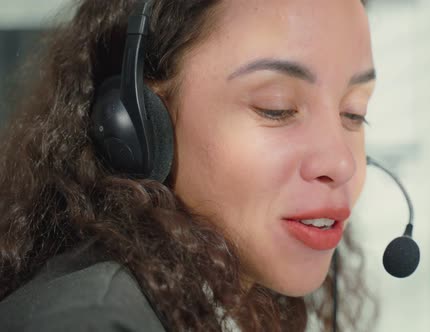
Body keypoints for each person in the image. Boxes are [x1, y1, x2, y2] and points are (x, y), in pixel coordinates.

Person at [0, 0, 378, 330]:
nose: (342, 162)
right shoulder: (90, 322)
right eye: (275, 108)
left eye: (354, 113)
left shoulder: (216, 306)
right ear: (137, 125)